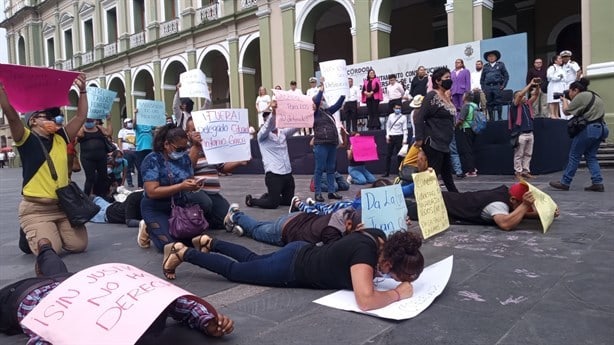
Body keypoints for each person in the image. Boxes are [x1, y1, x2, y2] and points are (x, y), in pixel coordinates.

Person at [0, 238, 234, 341]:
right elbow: (46, 335)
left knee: (56, 270)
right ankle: (45, 250)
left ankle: (45, 249)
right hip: (23, 295)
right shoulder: (68, 328)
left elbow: (175, 301)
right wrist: (204, 320)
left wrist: (206, 320)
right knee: (55, 271)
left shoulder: (141, 305)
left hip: (71, 284)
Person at [161, 228, 425, 312]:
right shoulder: (365, 256)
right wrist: (398, 293)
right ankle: (184, 253)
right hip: (293, 268)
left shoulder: (378, 238)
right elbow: (366, 300)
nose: (391, 279)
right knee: (236, 271)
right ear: (388, 262)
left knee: (253, 259)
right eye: (393, 275)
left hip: (301, 250)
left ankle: (211, 241)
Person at [0, 74, 89, 255]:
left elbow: (80, 117)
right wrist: (2, 89)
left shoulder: (61, 137)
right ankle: (29, 233)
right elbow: (12, 115)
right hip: (36, 208)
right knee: (51, 250)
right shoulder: (26, 138)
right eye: (45, 116)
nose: (52, 120)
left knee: (79, 246)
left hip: (63, 206)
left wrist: (82, 91)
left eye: (53, 116)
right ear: (32, 120)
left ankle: (46, 230)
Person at [139, 124, 207, 252]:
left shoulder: (184, 158)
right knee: (170, 247)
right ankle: (148, 228)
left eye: (185, 148)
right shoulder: (152, 160)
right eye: (179, 148)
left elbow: (189, 177)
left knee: (192, 242)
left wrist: (193, 185)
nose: (182, 151)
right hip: (155, 207)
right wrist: (181, 186)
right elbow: (152, 192)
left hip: (179, 205)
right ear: (166, 144)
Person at [407, 183, 560, 231]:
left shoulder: (506, 194)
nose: (526, 207)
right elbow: (506, 223)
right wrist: (526, 205)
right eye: (522, 203)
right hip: (438, 205)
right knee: (405, 209)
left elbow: (519, 213)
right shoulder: (498, 205)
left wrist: (545, 213)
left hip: (448, 199)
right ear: (513, 199)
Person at [549, 78, 608, 192]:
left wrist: (564, 100)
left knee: (574, 155)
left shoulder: (581, 96)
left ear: (575, 90)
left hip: (589, 129)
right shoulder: (595, 96)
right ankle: (597, 182)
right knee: (591, 156)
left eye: (570, 91)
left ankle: (565, 182)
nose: (569, 94)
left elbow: (566, 111)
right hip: (602, 129)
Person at [245, 100, 299, 209]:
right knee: (273, 204)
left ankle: (269, 196)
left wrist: (308, 112)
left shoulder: (282, 133)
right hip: (274, 174)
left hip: (287, 173)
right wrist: (274, 111)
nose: (270, 119)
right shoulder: (262, 135)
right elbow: (269, 125)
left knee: (289, 202)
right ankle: (252, 201)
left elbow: (297, 126)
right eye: (266, 117)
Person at [224, 203, 361, 246]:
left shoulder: (346, 212)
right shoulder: (332, 232)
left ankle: (241, 228)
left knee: (262, 226)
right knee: (256, 230)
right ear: (348, 224)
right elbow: (338, 252)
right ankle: (235, 215)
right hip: (286, 231)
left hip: (298, 218)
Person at [413, 67, 459, 193]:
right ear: (438, 81)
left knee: (447, 176)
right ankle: (424, 203)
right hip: (433, 142)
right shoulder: (432, 96)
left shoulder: (447, 97)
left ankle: (458, 200)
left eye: (450, 77)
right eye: (447, 78)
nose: (450, 80)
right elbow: (419, 117)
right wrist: (419, 139)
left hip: (444, 143)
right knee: (432, 175)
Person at [184, 119, 234, 229]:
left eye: (201, 130)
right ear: (187, 133)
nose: (198, 133)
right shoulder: (184, 149)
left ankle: (200, 222)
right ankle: (188, 219)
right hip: (195, 192)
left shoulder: (211, 148)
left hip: (213, 193)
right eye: (194, 130)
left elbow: (223, 168)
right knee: (205, 203)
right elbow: (188, 169)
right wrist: (196, 147)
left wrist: (240, 161)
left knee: (226, 219)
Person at [312, 78, 345, 202]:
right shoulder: (314, 113)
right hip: (321, 143)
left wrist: (343, 93)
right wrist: (321, 88)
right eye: (322, 100)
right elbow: (317, 99)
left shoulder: (328, 112)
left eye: (324, 100)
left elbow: (338, 105)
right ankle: (317, 193)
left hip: (331, 143)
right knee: (319, 169)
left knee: (331, 168)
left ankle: (331, 192)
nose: (323, 101)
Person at [510, 79, 540, 179]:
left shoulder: (527, 104)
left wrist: (537, 86)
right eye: (521, 95)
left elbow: (536, 95)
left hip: (530, 133)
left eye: (524, 95)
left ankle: (525, 171)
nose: (523, 96)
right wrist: (530, 84)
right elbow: (519, 95)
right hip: (521, 133)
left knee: (528, 154)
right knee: (519, 154)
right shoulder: (514, 106)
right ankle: (518, 172)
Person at [76, 114, 112, 196]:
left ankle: (103, 196)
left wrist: (109, 121)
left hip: (101, 157)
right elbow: (80, 135)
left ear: (94, 121)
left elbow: (109, 133)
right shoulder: (82, 129)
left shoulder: (99, 128)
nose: (89, 122)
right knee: (90, 179)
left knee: (104, 177)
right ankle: (86, 197)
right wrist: (82, 123)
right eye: (87, 120)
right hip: (87, 159)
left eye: (90, 120)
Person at [480, 50, 509, 121]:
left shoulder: (500, 65)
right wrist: (483, 88)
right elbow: (482, 79)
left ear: (496, 57)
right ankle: (491, 119)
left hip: (497, 86)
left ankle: (499, 118)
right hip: (488, 87)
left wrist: (503, 85)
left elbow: (506, 76)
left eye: (493, 56)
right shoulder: (485, 66)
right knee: (489, 103)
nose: (491, 57)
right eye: (489, 56)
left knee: (498, 102)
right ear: (487, 58)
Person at [455, 92, 479, 177]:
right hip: (474, 129)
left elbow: (461, 119)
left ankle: (471, 171)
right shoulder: (475, 105)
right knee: (471, 148)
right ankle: (473, 167)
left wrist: (455, 126)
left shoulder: (466, 106)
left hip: (466, 128)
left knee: (467, 150)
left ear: (465, 97)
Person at [383, 103, 408, 177]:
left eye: (399, 108)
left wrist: (404, 139)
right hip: (391, 136)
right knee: (388, 155)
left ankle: (400, 172)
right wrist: (387, 136)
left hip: (399, 136)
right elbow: (388, 126)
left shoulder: (403, 117)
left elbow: (405, 129)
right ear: (393, 109)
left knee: (400, 155)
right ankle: (386, 172)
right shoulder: (390, 116)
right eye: (396, 108)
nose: (398, 110)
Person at [134, 108, 155, 188]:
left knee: (150, 167)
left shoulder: (149, 124)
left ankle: (149, 184)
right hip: (140, 149)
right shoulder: (138, 125)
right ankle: (140, 186)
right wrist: (135, 114)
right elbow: (134, 124)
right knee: (140, 168)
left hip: (150, 148)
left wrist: (162, 117)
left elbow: (158, 125)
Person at [117, 118, 136, 187]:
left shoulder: (135, 130)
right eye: (128, 122)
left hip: (135, 150)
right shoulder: (122, 131)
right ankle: (130, 183)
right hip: (126, 151)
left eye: (131, 121)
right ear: (125, 123)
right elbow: (119, 141)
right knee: (127, 168)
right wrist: (120, 150)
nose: (130, 123)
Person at [546, 55, 565, 119]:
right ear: (555, 61)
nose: (561, 60)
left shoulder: (561, 68)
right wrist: (558, 77)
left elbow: (564, 77)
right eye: (559, 58)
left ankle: (556, 114)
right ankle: (552, 114)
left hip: (559, 85)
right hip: (553, 85)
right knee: (552, 99)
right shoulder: (552, 67)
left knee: (557, 100)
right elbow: (549, 76)